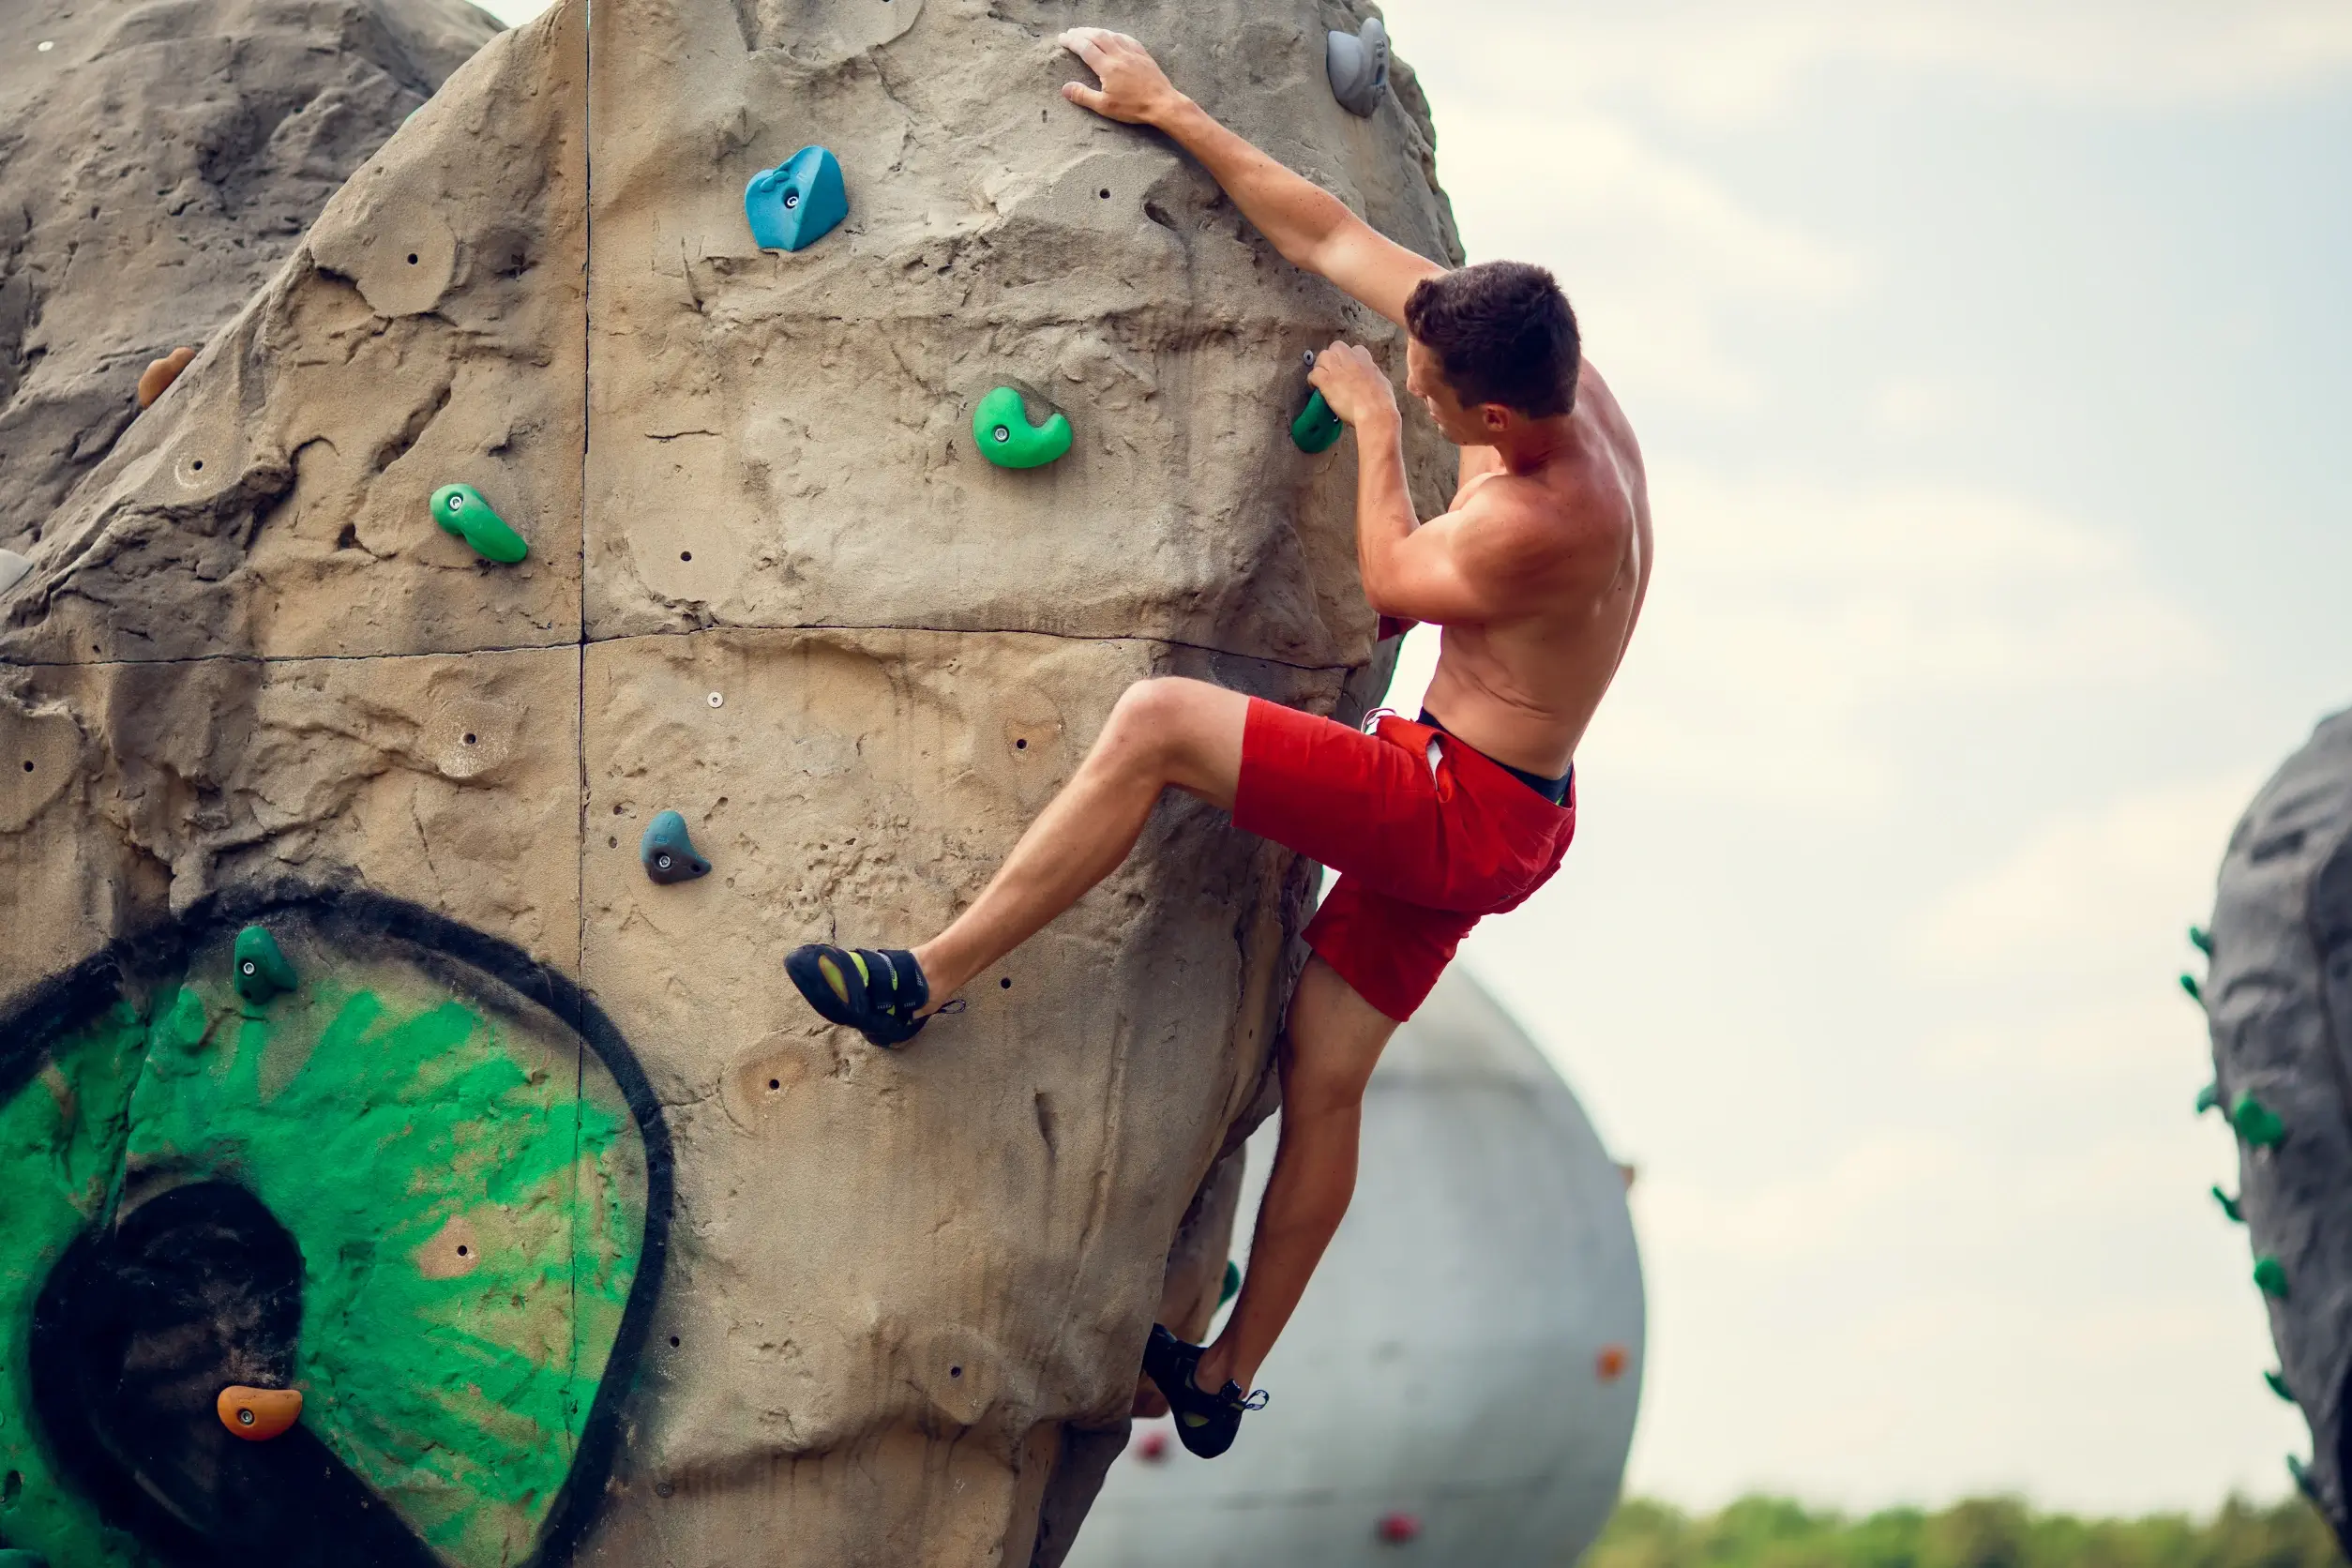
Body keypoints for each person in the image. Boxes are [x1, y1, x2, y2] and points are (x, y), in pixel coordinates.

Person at [785, 27, 1651, 1458]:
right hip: (1516, 809)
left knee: (1159, 722)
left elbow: (1390, 578)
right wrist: (1168, 109)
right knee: (1325, 1069)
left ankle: (923, 979)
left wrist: (1377, 427)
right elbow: (1325, 230)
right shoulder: (1566, 396)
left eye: (1434, 388)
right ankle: (1216, 1374)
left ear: (1490, 413)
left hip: (1459, 804)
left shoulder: (1531, 526)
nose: (1414, 379)